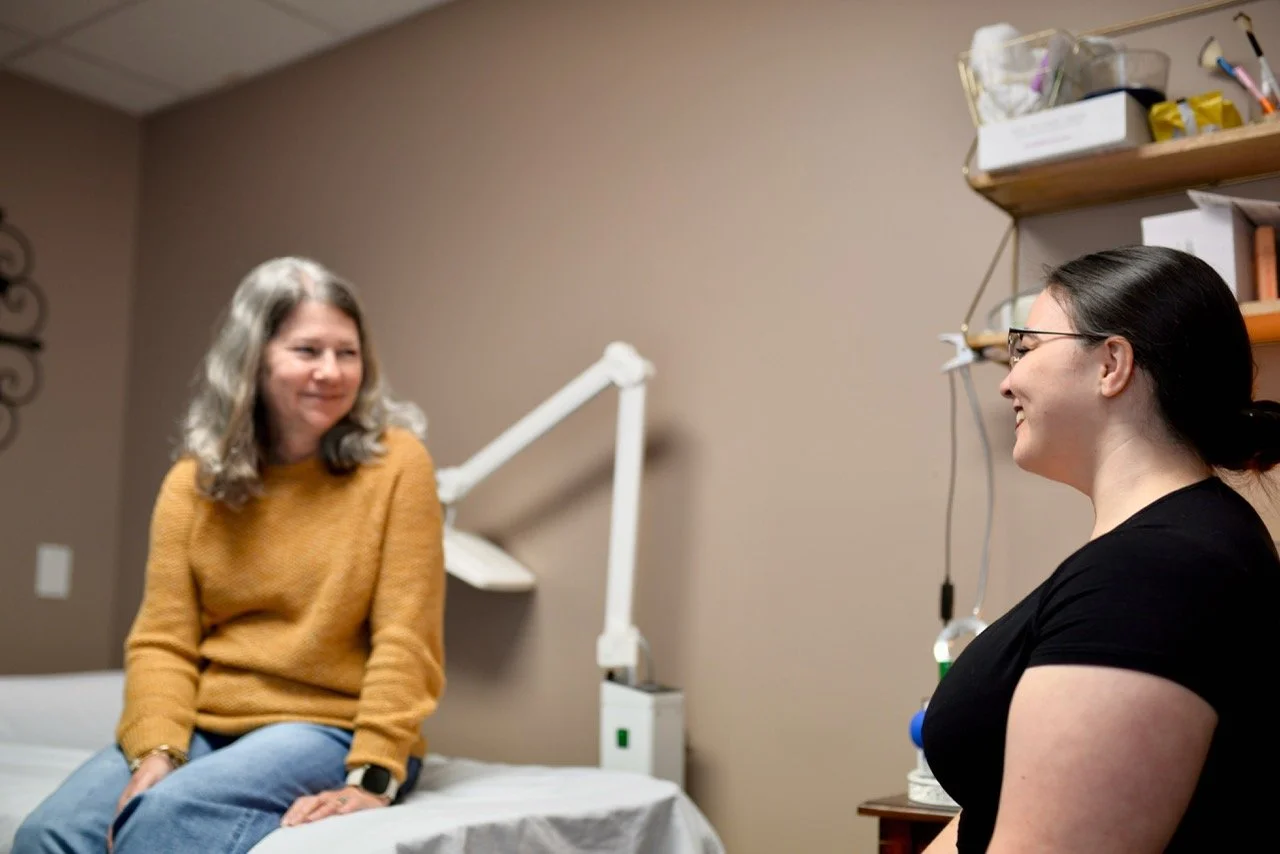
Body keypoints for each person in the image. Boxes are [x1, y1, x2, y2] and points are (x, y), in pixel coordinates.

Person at [14, 257, 446, 854]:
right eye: (307, 350)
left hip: (327, 727)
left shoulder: (397, 465)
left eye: (347, 353)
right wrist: (158, 748)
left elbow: (408, 638)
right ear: (254, 359)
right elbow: (163, 641)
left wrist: (375, 774)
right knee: (47, 834)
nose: (331, 371)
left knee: (167, 820)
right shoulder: (194, 483)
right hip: (205, 725)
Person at [921, 245, 1280, 853]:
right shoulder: (1158, 553)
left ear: (1111, 363)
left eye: (1026, 348)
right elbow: (999, 801)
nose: (1006, 381)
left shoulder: (1158, 574)